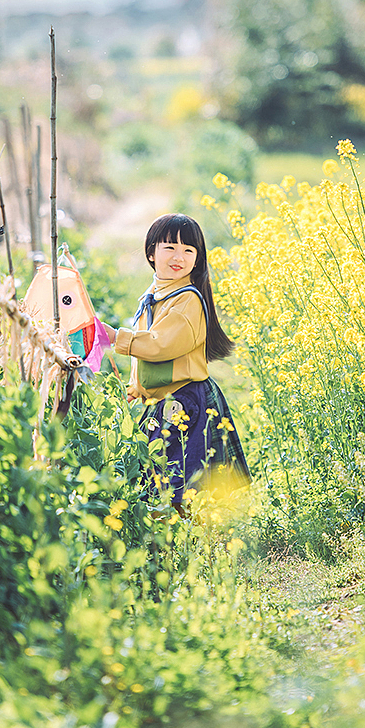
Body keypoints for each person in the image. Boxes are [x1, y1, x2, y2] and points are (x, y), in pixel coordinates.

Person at [109, 213, 250, 513]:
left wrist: (116, 337)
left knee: (183, 482)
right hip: (162, 399)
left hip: (185, 400)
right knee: (161, 474)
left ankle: (192, 546)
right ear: (151, 252)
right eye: (170, 247)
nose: (179, 257)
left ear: (197, 259)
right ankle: (172, 542)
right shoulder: (156, 294)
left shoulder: (187, 300)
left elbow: (160, 345)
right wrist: (137, 387)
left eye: (188, 250)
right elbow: (148, 350)